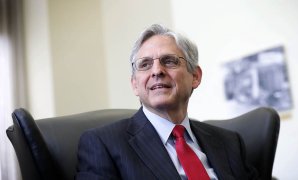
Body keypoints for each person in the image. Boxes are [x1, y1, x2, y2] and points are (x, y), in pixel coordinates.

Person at [76, 24, 258, 180]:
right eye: (145, 64)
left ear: (195, 76)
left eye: (169, 61)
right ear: (135, 85)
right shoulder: (102, 144)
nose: (156, 71)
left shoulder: (230, 142)